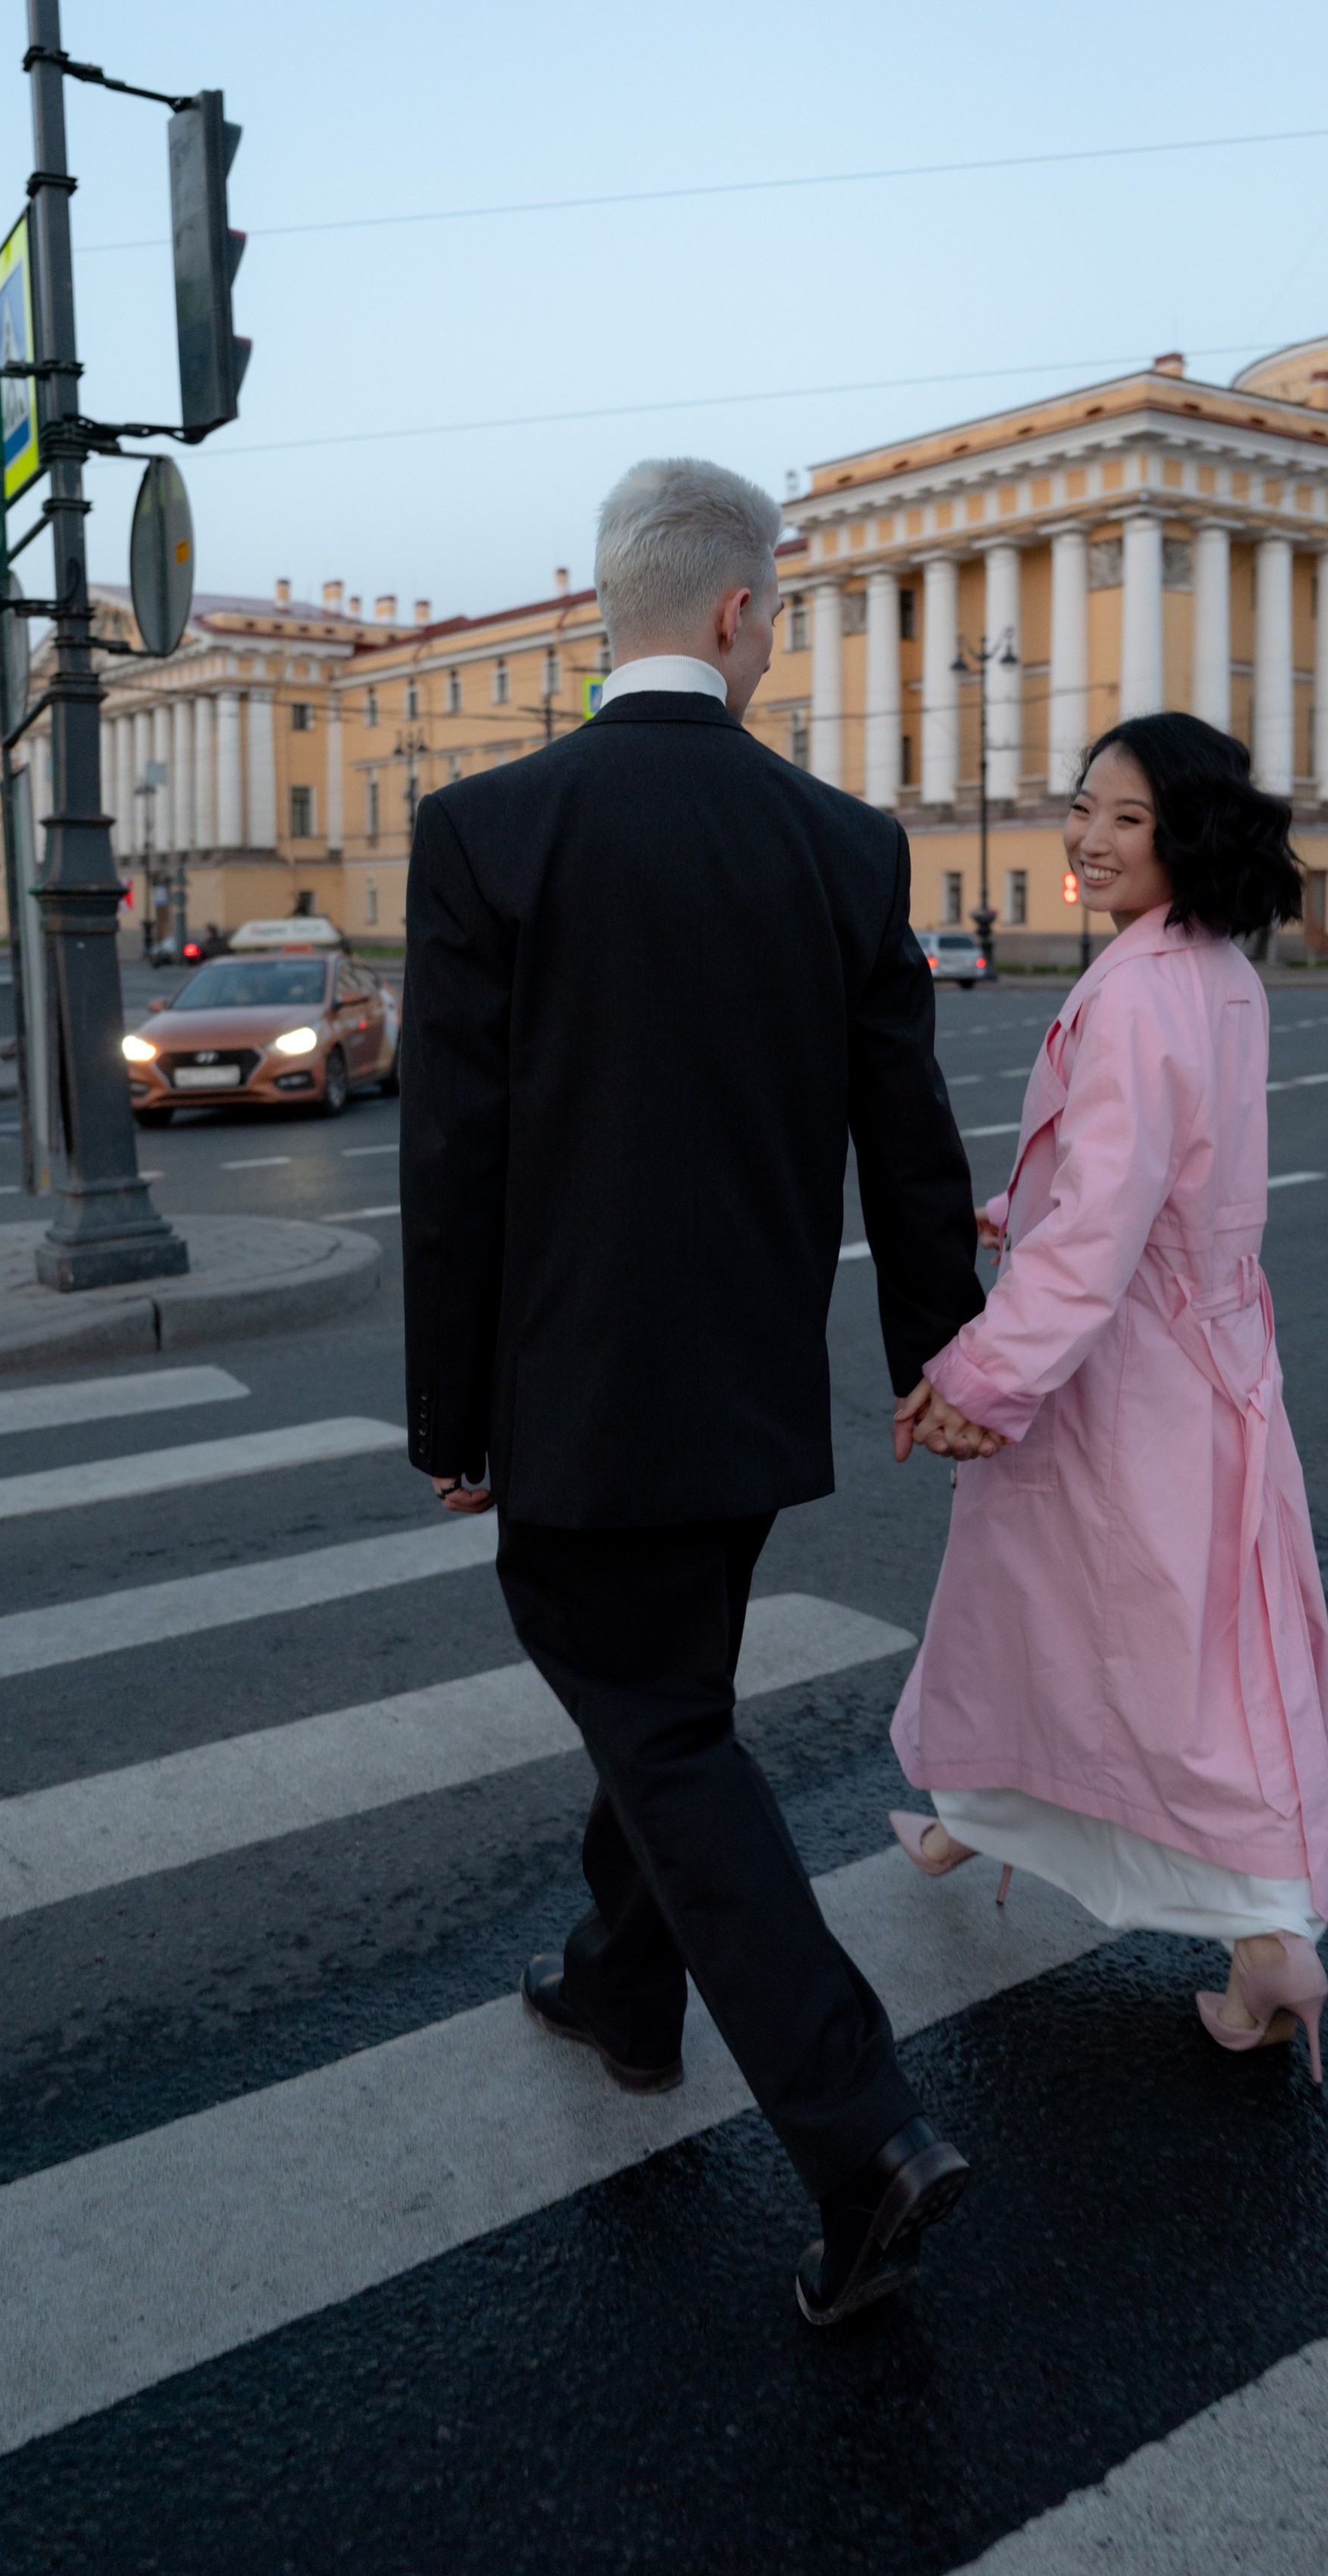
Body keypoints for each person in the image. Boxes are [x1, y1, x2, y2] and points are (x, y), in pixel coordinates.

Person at [400, 456, 987, 2324]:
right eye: (784, 605)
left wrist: (450, 1419)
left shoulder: (488, 828)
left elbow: (456, 1156)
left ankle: (858, 2124)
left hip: (569, 1399)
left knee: (655, 1724)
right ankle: (619, 1991)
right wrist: (935, 1355)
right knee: (666, 1695)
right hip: (741, 1403)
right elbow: (907, 1137)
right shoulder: (840, 841)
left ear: (616, 603)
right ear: (737, 614)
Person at [890, 714, 1328, 2079]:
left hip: (1124, 1374)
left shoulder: (1141, 991)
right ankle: (986, 1805)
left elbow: (1103, 1229)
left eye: (1124, 818)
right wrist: (1019, 1215)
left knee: (1156, 1653)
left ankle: (1267, 1942)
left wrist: (979, 1374)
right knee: (1085, 1620)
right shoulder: (1212, 971)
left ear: (1186, 834)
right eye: (1081, 806)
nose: (1087, 836)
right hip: (1197, 1353)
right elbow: (1139, 1190)